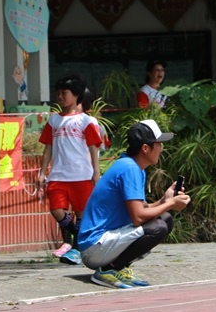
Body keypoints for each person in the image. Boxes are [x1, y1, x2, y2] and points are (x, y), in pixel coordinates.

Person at [77, 119, 190, 289]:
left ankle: (119, 267)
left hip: (101, 244)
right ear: (146, 148)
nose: (161, 148)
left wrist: (165, 200)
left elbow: (141, 209)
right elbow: (138, 218)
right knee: (158, 227)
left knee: (165, 219)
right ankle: (108, 270)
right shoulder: (130, 169)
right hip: (94, 248)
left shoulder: (133, 167)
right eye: (158, 144)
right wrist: (171, 203)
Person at [37, 75, 103, 265]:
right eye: (57, 93)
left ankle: (75, 248)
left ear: (76, 95)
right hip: (58, 174)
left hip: (82, 175)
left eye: (64, 93)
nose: (60, 96)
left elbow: (93, 147)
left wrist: (96, 172)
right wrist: (42, 172)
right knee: (56, 210)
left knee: (82, 212)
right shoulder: (53, 121)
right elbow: (48, 147)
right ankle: (78, 237)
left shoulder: (86, 121)